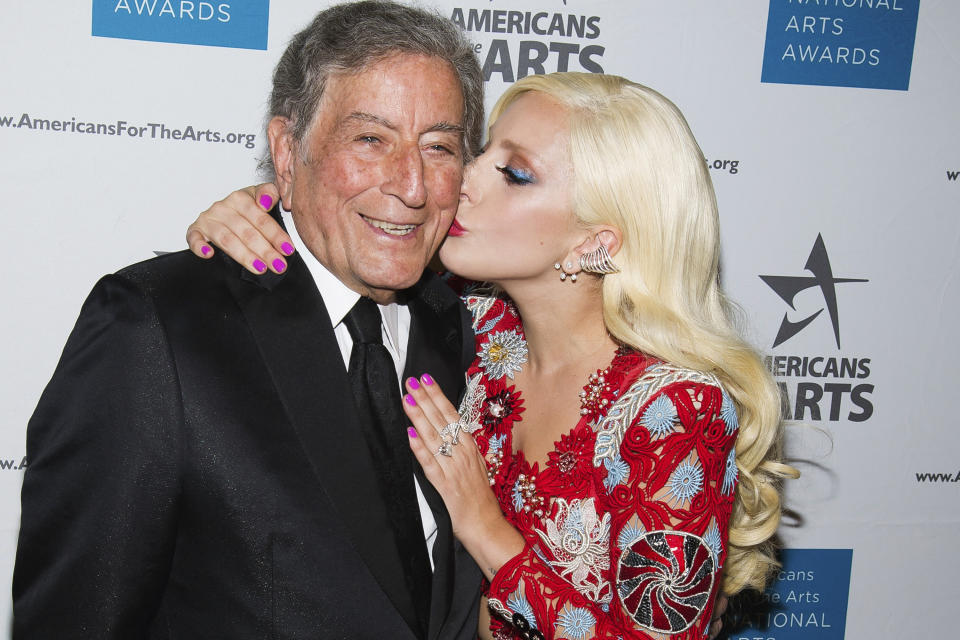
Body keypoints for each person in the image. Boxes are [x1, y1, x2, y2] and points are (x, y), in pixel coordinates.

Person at [186, 72, 797, 639]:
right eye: (481, 154)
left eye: (515, 174)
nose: (460, 182)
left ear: (594, 241)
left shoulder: (675, 410)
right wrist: (261, 208)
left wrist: (484, 527)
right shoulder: (471, 324)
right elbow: (355, 238)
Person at [13, 2, 487, 638]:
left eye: (439, 147)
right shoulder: (159, 327)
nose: (412, 185)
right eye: (370, 140)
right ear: (287, 153)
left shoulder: (460, 328)